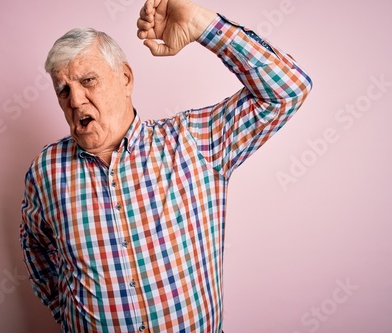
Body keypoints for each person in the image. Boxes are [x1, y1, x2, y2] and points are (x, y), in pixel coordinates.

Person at [19, 0, 312, 331]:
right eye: (63, 90)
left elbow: (288, 90)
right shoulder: (46, 170)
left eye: (88, 80)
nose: (75, 100)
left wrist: (203, 25)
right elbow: (36, 247)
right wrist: (67, 315)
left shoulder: (193, 142)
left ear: (126, 78)